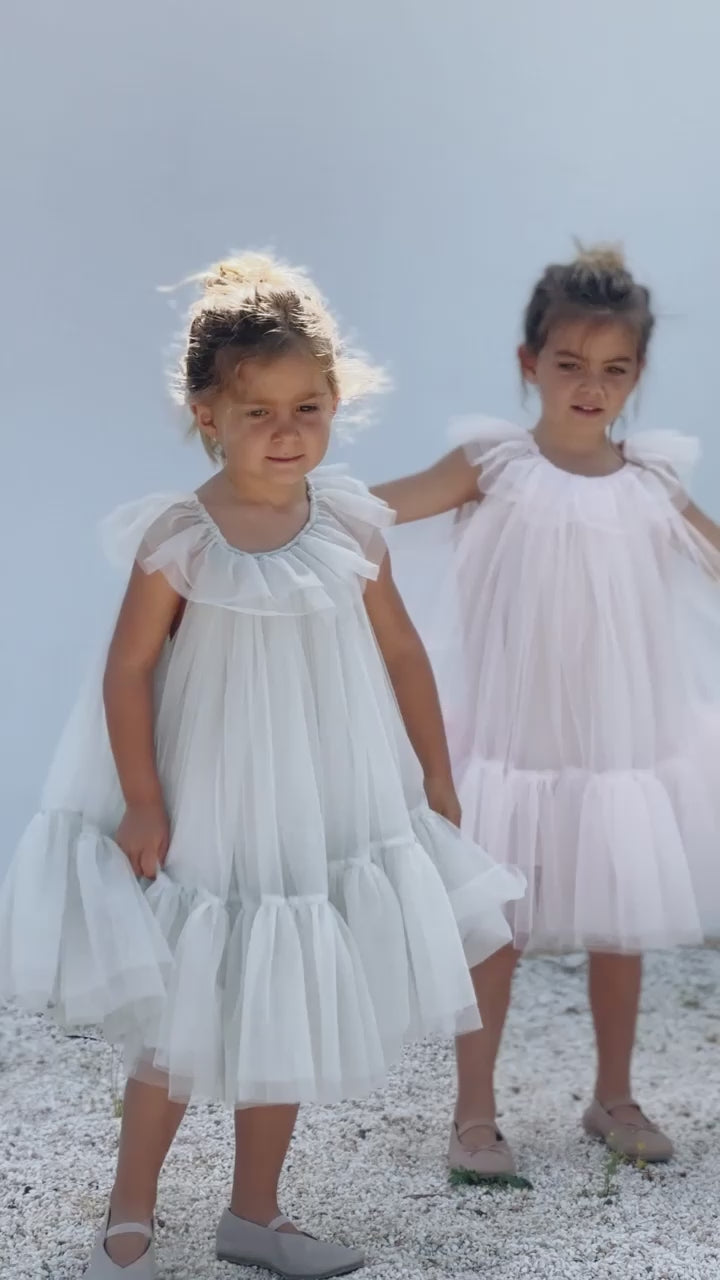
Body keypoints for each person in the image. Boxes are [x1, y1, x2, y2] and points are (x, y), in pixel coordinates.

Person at [0, 253, 523, 1279]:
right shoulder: (182, 534)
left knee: (288, 986)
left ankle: (255, 1212)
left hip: (319, 792)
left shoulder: (351, 522)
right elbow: (129, 667)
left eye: (308, 409)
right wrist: (142, 800)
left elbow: (402, 652)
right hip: (212, 794)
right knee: (185, 1001)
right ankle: (131, 1207)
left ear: (336, 405)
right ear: (207, 417)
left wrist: (436, 772)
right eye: (259, 414)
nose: (287, 433)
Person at [374, 245, 720, 1179]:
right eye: (569, 364)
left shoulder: (652, 481)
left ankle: (614, 1095)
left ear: (638, 375)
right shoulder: (494, 464)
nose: (590, 386)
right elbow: (383, 510)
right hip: (514, 741)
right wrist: (279, 503)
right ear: (529, 363)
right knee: (499, 928)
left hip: (620, 744)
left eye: (614, 369)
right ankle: (474, 1112)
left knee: (620, 919)